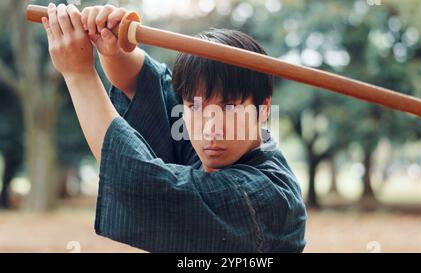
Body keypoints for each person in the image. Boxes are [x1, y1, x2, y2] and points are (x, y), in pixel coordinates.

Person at [41, 3, 307, 253]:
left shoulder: (267, 197)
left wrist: (79, 74)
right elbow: (148, 83)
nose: (210, 128)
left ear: (264, 108)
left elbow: (140, 185)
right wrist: (112, 47)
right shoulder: (226, 148)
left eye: (229, 107)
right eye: (196, 106)